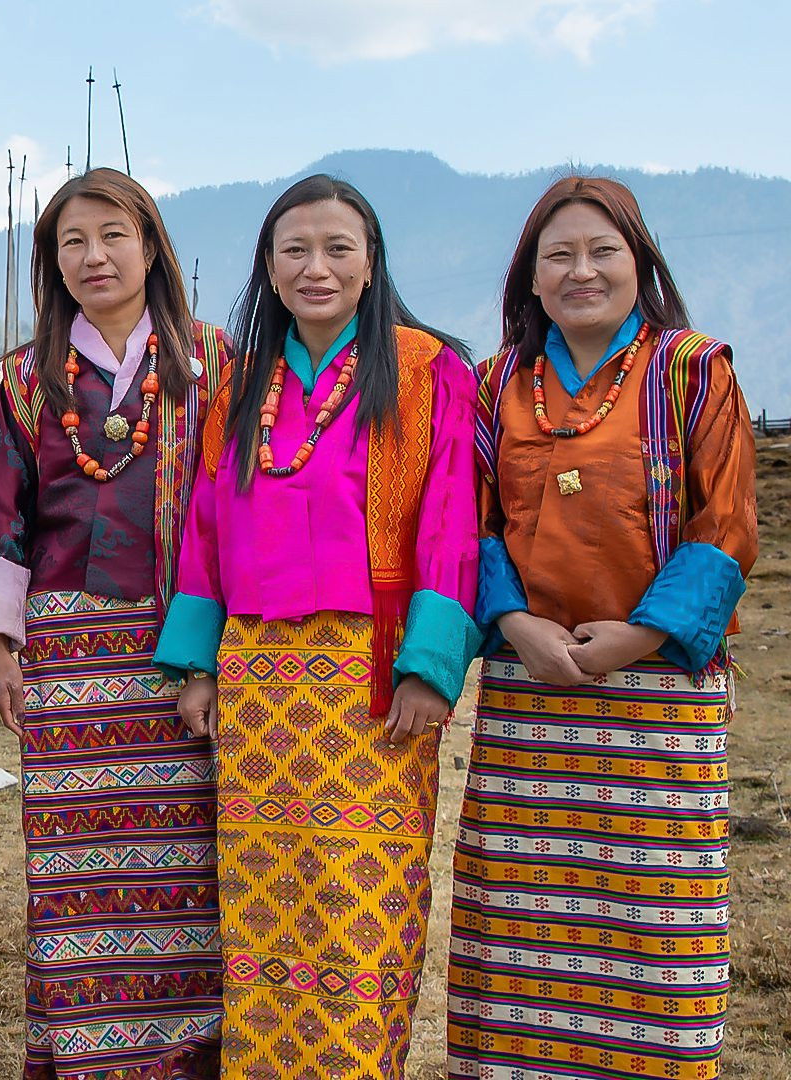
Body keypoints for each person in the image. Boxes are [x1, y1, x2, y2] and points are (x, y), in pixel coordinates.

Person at [151, 174, 479, 1079]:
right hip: (258, 677)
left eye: (338, 248)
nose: (317, 267)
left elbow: (451, 518)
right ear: (268, 265)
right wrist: (197, 666)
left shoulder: (425, 371)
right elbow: (209, 529)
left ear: (372, 264)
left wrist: (431, 664)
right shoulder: (243, 384)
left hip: (370, 676)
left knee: (355, 902)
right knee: (262, 907)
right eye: (295, 249)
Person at [445, 176, 756, 1080]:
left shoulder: (695, 369)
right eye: (559, 256)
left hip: (658, 699)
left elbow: (726, 524)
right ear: (530, 279)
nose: (582, 272)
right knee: (523, 937)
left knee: (654, 942)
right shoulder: (500, 381)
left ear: (640, 264)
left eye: (602, 252)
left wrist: (642, 634)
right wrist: (512, 621)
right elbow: (472, 524)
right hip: (527, 691)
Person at [0, 167, 233, 1078]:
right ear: (52, 261)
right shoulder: (27, 377)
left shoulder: (213, 363)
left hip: (182, 646)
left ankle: (181, 1056)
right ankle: (86, 1055)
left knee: (183, 868)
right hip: (65, 654)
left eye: (113, 235)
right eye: (72, 242)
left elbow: (229, 505)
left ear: (151, 243)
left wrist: (206, 656)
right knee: (77, 876)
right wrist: (2, 650)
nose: (95, 257)